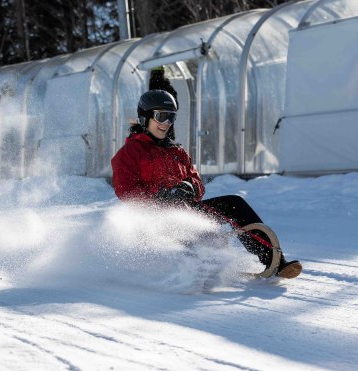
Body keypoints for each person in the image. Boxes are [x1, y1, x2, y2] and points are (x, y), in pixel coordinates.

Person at [111, 89, 302, 279]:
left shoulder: (177, 151)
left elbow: (197, 181)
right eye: (161, 117)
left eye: (171, 117)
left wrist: (190, 186)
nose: (166, 123)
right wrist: (162, 193)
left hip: (187, 209)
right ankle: (192, 269)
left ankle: (274, 260)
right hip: (155, 219)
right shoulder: (128, 154)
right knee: (190, 233)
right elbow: (126, 192)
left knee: (234, 203)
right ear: (145, 117)